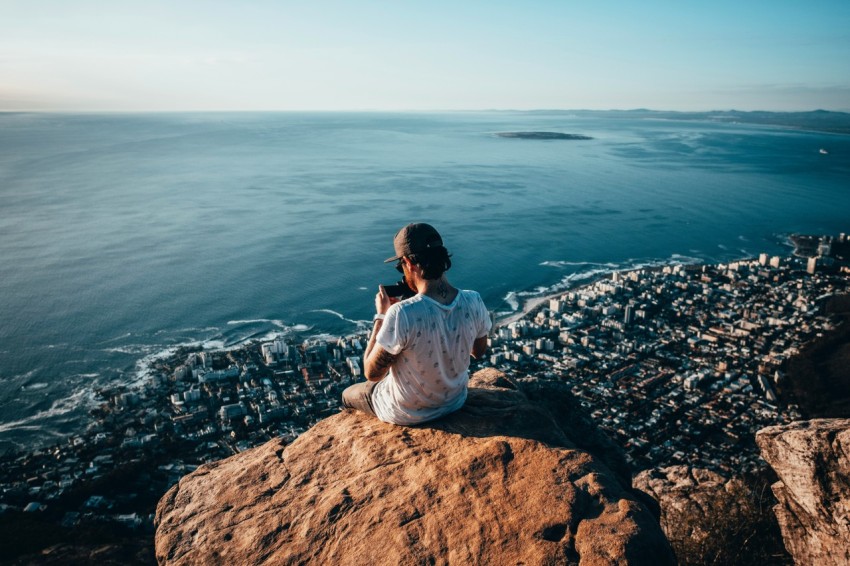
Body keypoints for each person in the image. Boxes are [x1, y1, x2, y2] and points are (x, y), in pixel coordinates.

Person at [342, 223, 491, 425]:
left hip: (407, 412)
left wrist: (381, 316)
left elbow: (372, 373)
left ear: (408, 263)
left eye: (400, 267)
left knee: (347, 394)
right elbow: (478, 352)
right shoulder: (473, 300)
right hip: (455, 401)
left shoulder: (402, 313)